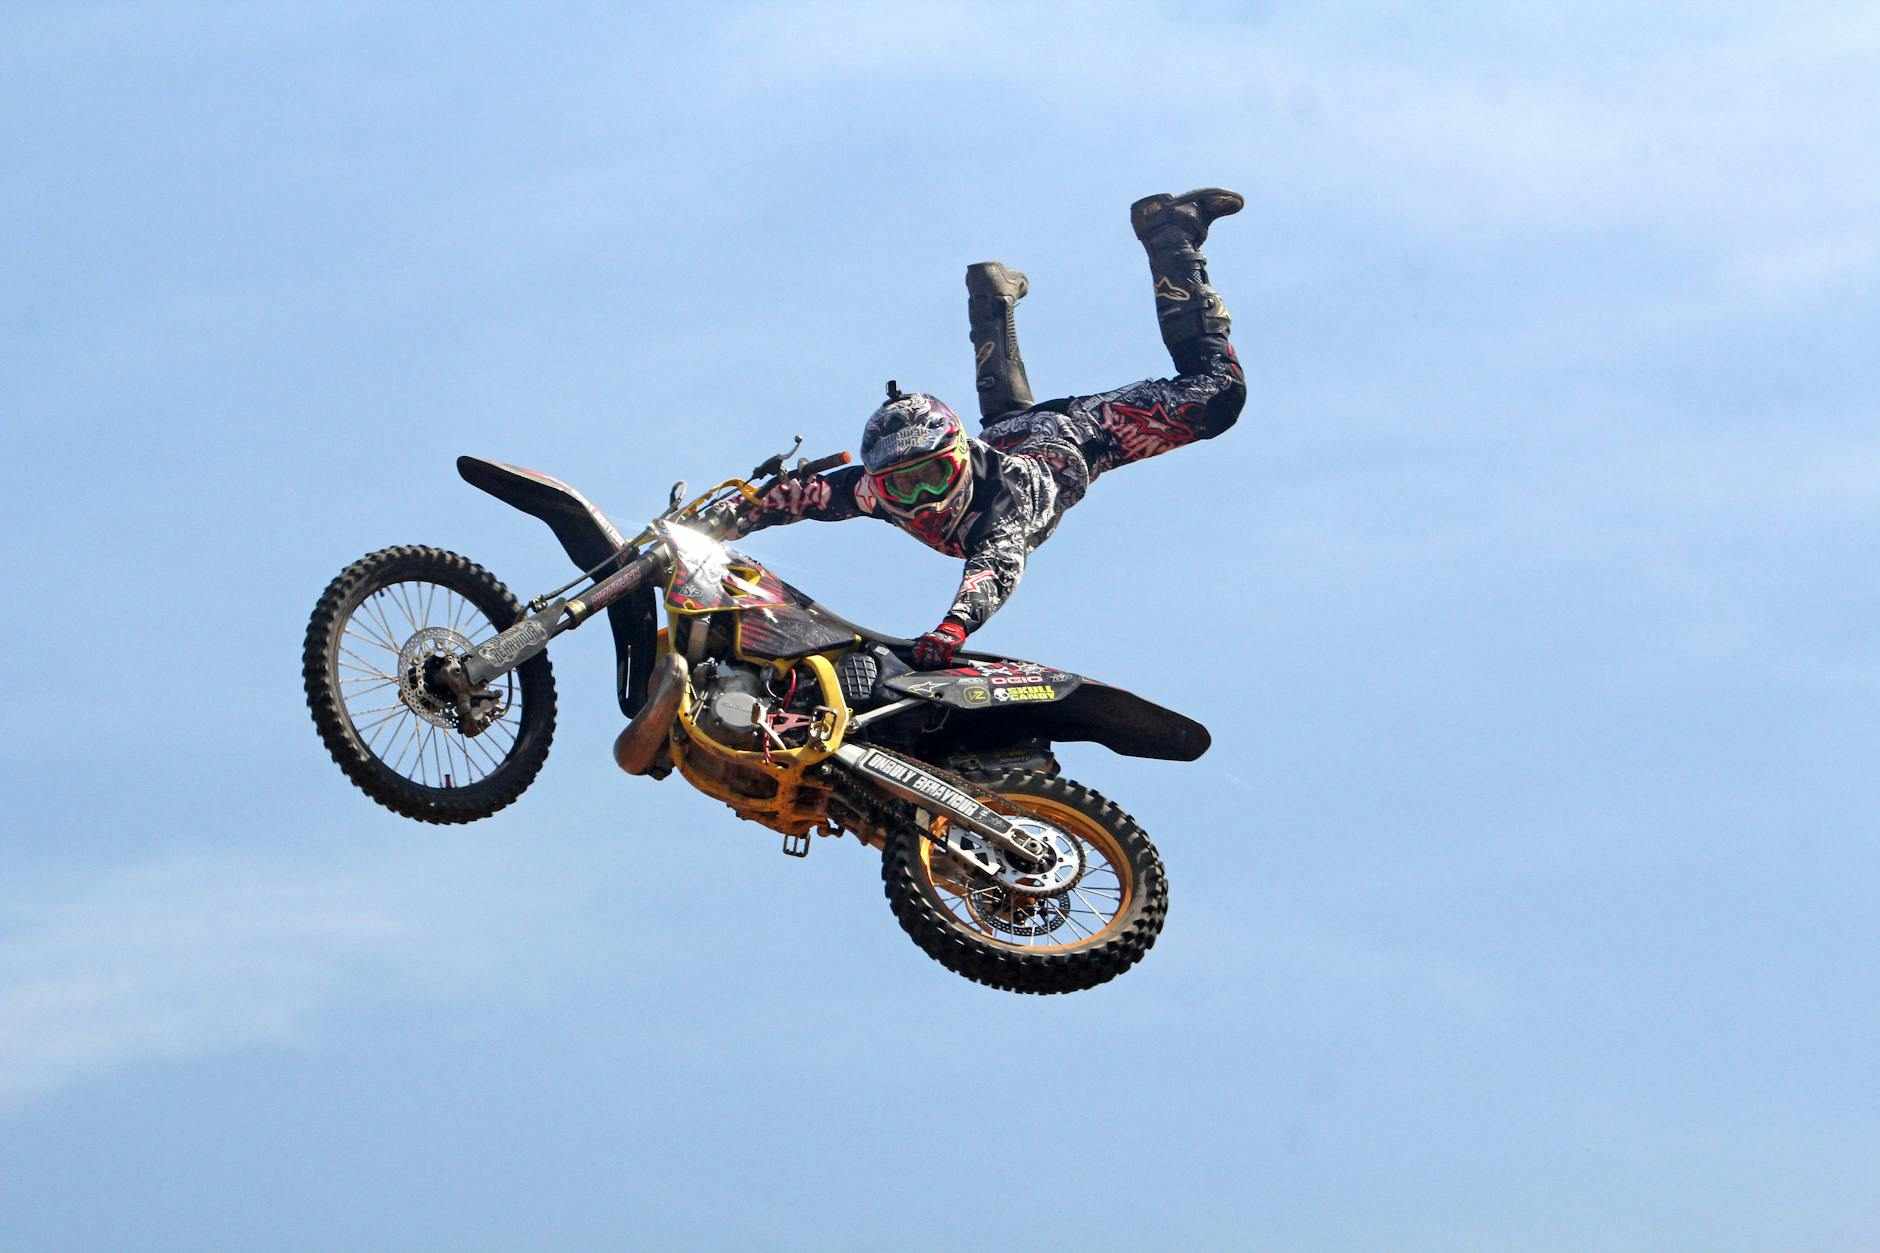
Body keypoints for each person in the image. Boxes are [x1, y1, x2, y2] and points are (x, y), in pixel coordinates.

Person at [737, 188, 1247, 669]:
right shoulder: (875, 491)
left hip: (1081, 432)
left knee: (1218, 392)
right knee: (1008, 421)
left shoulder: (1002, 503)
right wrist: (722, 522)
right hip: (1012, 438)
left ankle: (1171, 233)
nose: (922, 501)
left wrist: (951, 630)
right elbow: (789, 498)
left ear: (960, 458)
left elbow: (995, 566)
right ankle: (990, 297)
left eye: (932, 477)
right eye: (903, 486)